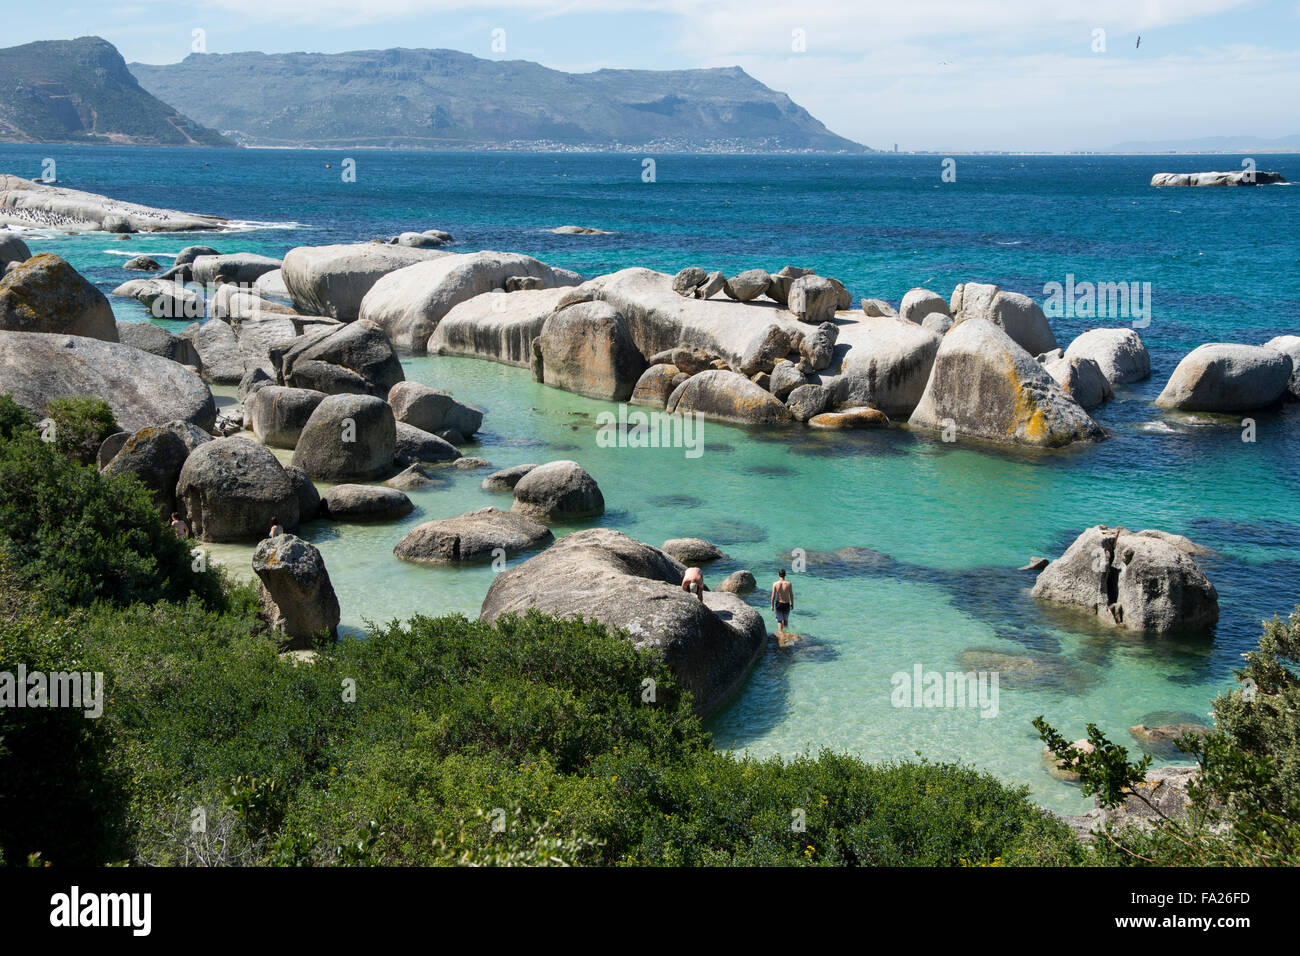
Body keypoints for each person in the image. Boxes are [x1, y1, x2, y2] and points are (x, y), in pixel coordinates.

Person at [771, 569, 794, 638]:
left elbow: (773, 596)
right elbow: (791, 595)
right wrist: (792, 604)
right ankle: (786, 634)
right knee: (786, 620)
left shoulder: (775, 584)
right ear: (785, 575)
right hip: (786, 604)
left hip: (779, 604)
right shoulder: (789, 584)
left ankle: (781, 635)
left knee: (779, 620)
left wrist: (772, 605)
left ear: (779, 575)